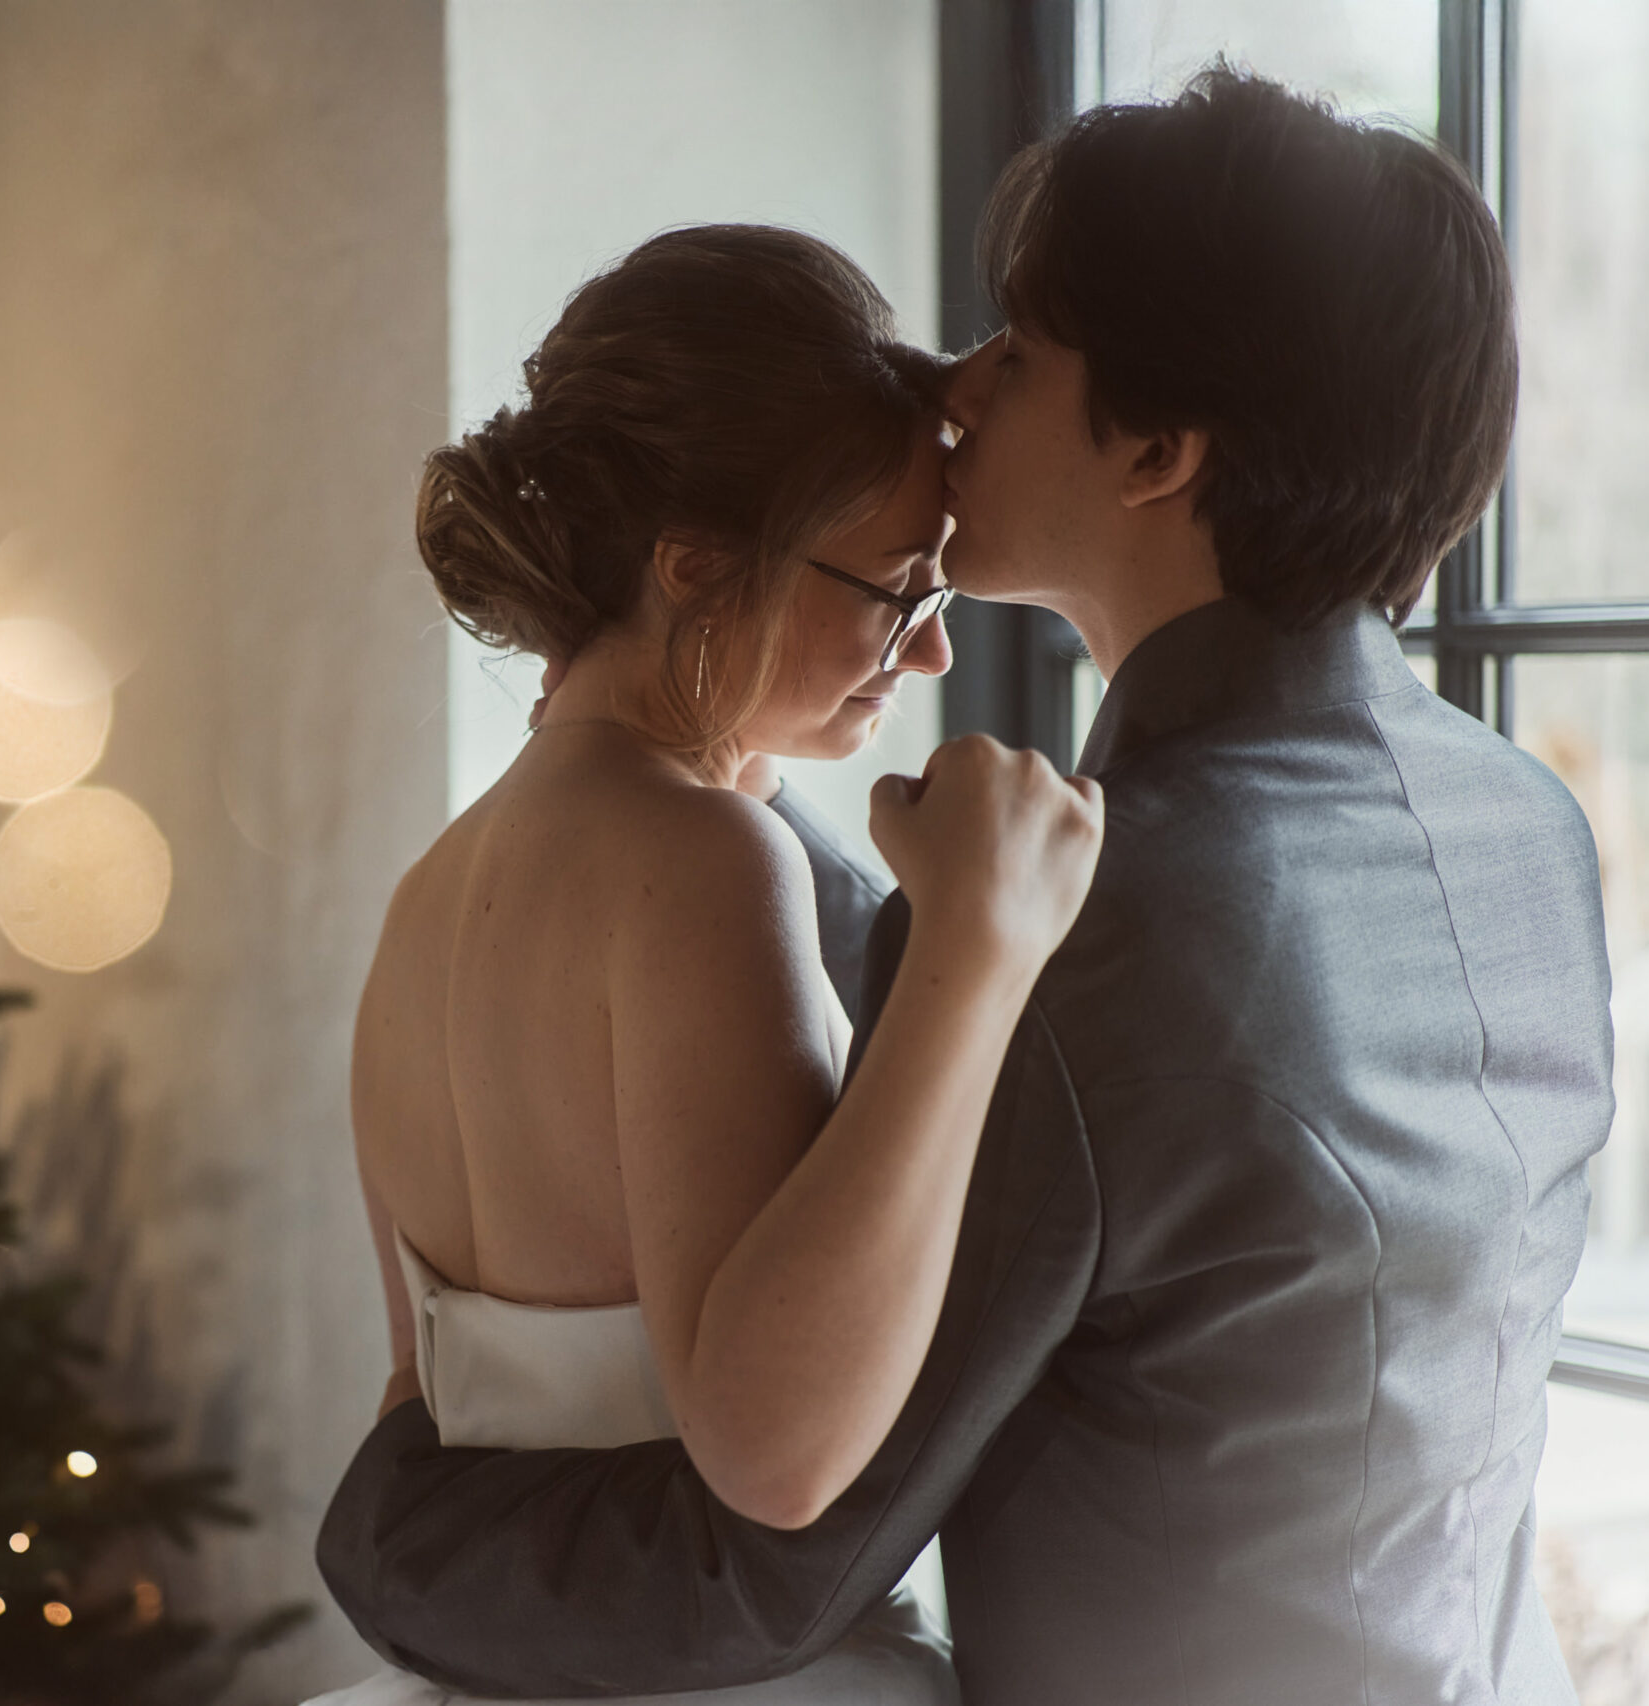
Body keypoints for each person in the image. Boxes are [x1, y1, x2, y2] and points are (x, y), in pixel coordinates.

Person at [316, 67, 1616, 1706]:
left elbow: (766, 1544)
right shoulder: (1532, 832)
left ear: (1156, 448)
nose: (957, 383)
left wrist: (388, 1519)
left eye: (1016, 346)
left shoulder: (1062, 926)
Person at [313, 222, 1105, 1706]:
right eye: (896, 587)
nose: (927, 652)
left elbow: (429, 1403)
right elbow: (778, 1454)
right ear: (692, 564)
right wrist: (979, 955)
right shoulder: (704, 863)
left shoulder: (433, 887)